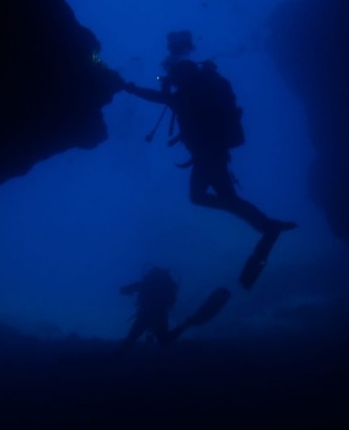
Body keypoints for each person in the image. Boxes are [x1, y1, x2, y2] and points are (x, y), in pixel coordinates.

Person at [121, 32, 296, 288]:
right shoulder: (198, 91)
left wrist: (130, 87)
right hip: (208, 155)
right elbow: (164, 97)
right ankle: (266, 225)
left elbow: (158, 97)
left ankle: (268, 226)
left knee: (219, 198)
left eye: (177, 77)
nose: (174, 80)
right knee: (203, 197)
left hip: (208, 156)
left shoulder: (186, 96)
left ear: (183, 76)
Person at [119, 267, 179, 350]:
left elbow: (124, 290)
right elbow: (171, 301)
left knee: (131, 338)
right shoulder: (168, 285)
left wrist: (126, 290)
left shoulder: (146, 283)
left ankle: (118, 355)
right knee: (164, 340)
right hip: (160, 314)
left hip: (145, 314)